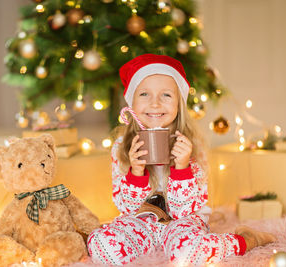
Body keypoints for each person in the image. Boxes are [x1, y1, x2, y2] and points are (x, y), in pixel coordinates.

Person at [87, 54, 276, 266]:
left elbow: (185, 210)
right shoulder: (121, 146)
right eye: (144, 94)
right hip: (142, 221)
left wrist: (182, 167)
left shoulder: (193, 145)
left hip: (183, 221)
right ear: (132, 103)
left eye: (166, 95)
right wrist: (136, 173)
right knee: (101, 244)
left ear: (179, 103)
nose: (155, 103)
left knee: (188, 255)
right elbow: (129, 209)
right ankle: (148, 244)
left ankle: (245, 240)